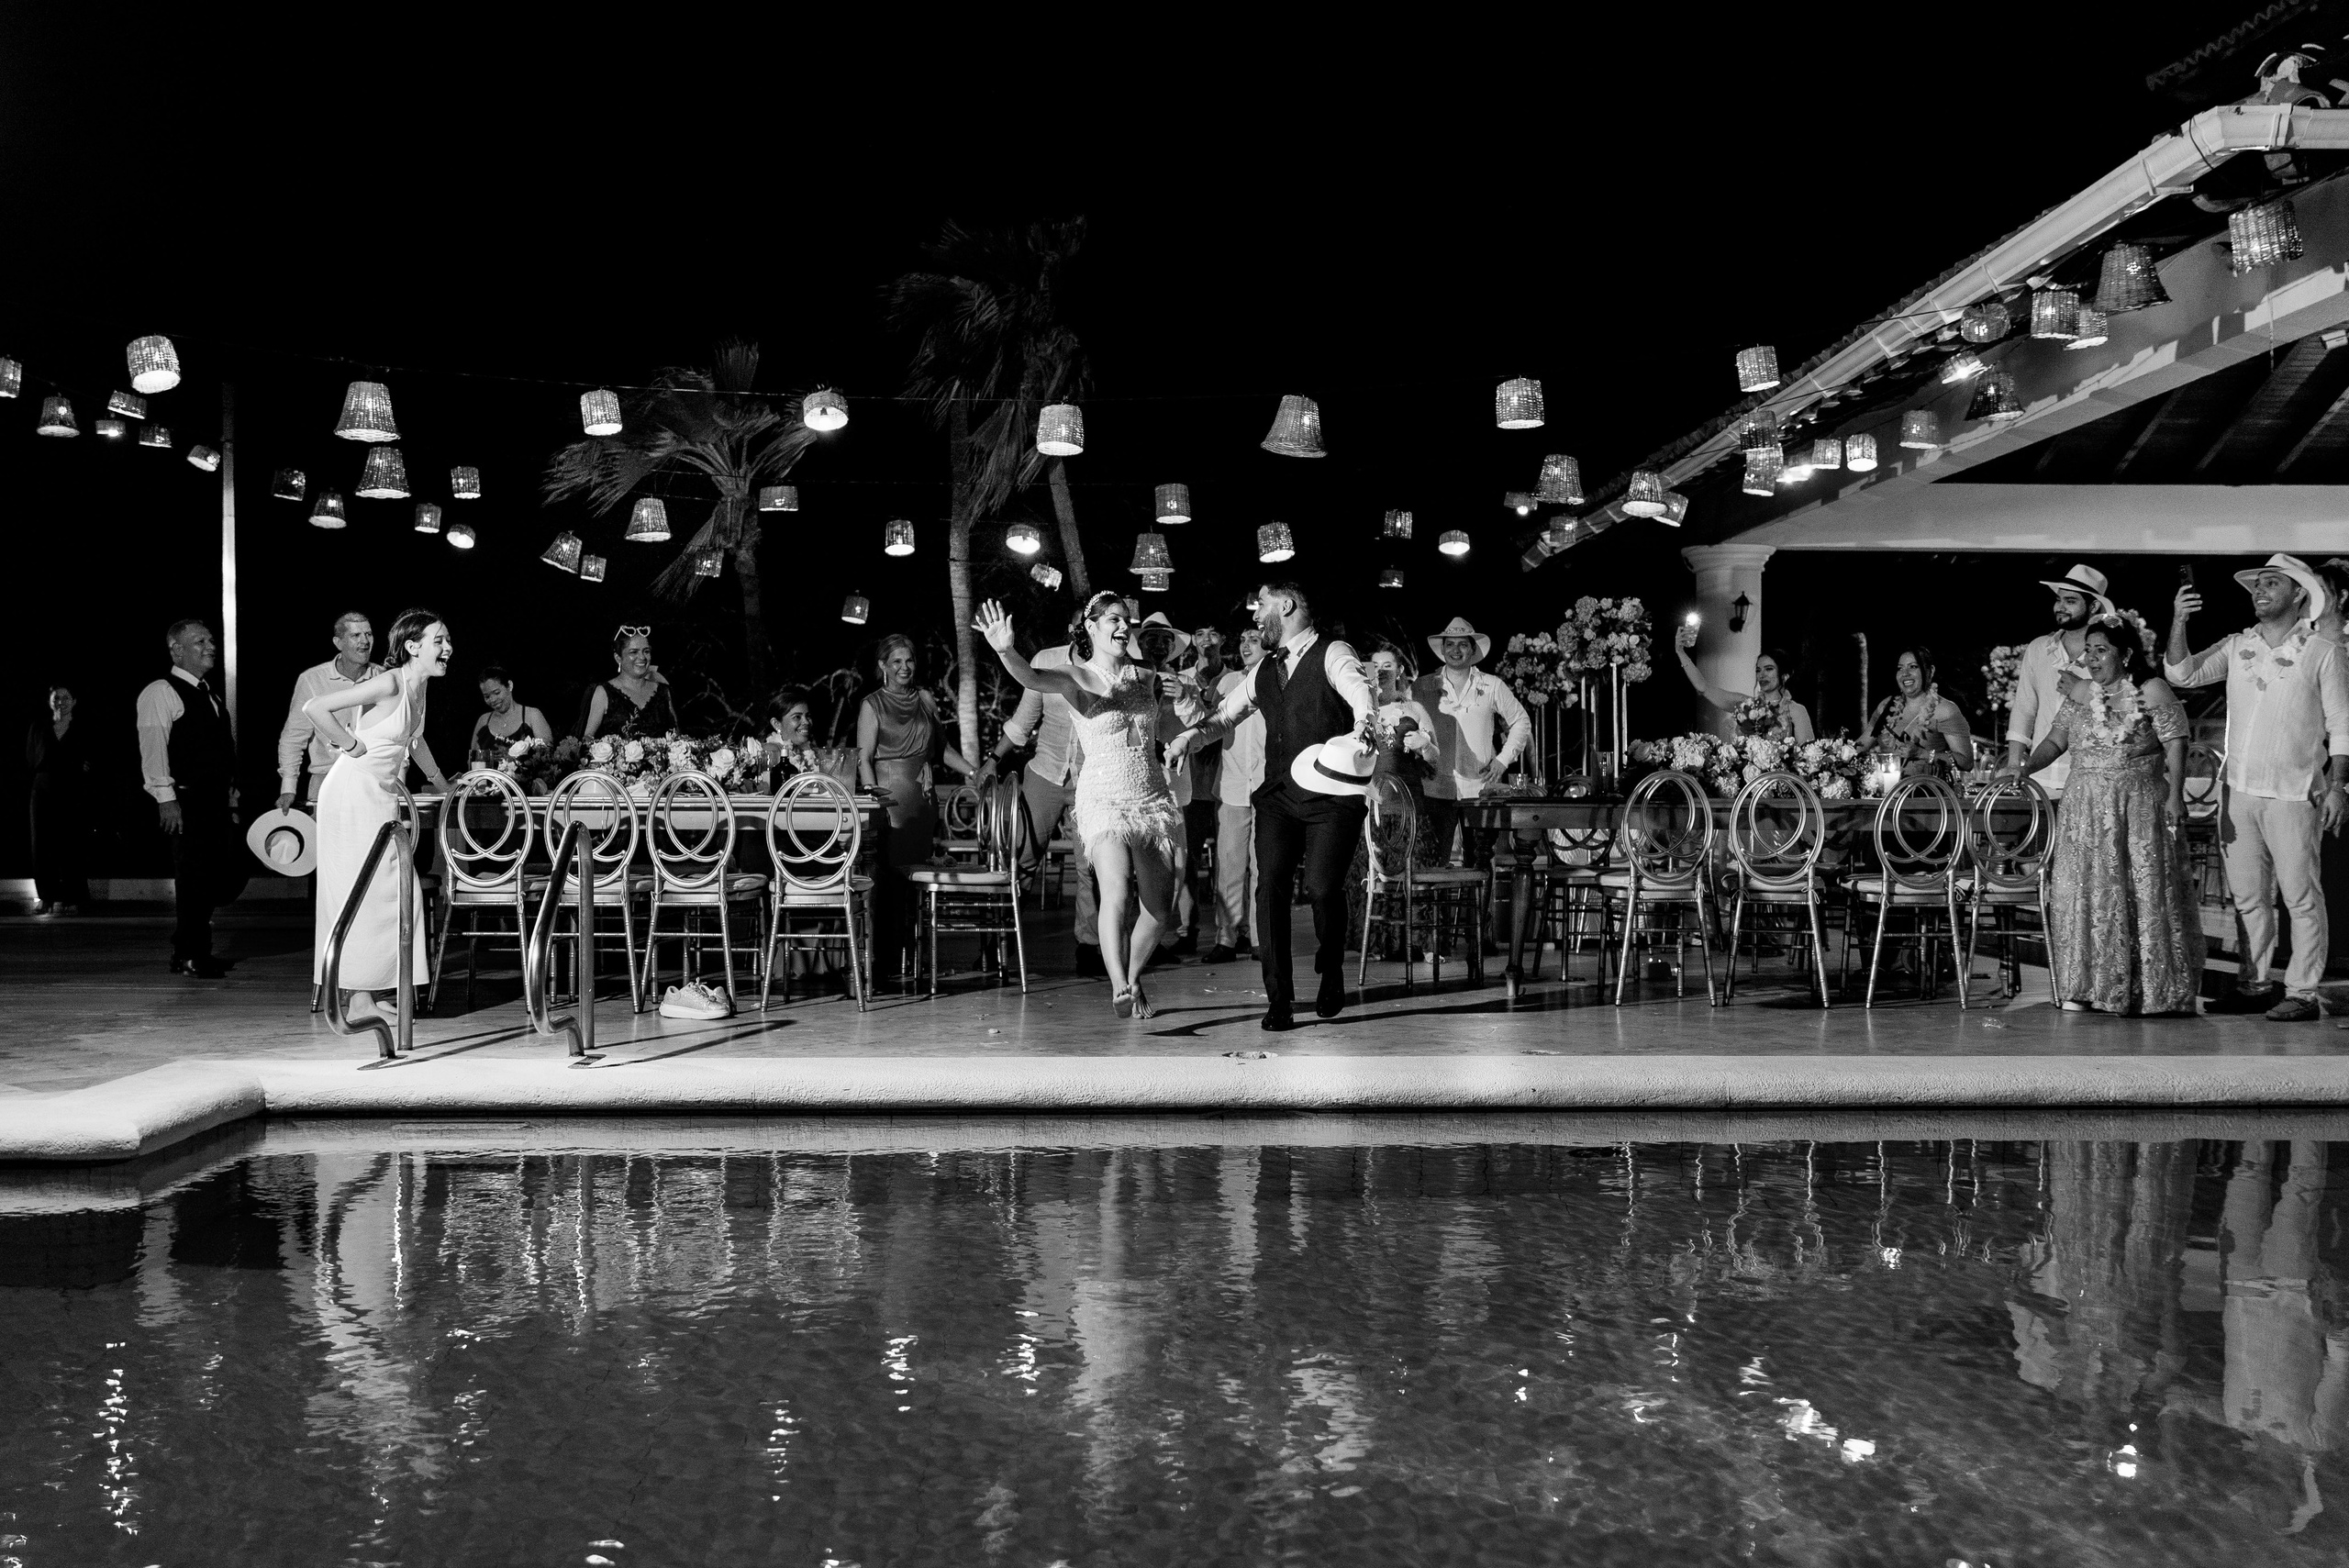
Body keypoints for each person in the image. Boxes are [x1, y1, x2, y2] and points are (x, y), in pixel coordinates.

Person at [1172, 581, 1377, 1030]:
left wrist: (1364, 723)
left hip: (1332, 795)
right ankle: (1279, 999)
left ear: (1285, 606)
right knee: (1270, 890)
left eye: (1260, 605)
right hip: (1278, 796)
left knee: (1323, 889)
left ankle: (1331, 966)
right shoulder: (1264, 667)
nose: (1253, 615)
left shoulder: (1332, 651)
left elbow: (1358, 689)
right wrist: (1189, 737)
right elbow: (1226, 714)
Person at [977, 593, 1191, 1018]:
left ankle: (1132, 976)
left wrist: (1181, 707)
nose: (1123, 627)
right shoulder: (1074, 676)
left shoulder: (1149, 675)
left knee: (1158, 908)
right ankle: (1119, 986)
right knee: (1114, 886)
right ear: (1090, 627)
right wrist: (1005, 649)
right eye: (1113, 619)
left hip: (1149, 794)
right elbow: (1031, 677)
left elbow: (1171, 728)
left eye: (1126, 620)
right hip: (1102, 795)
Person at [2166, 553, 2349, 1021]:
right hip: (2239, 790)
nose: (2260, 591)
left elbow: (2343, 726)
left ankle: (2303, 993)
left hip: (2294, 791)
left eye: (2271, 583)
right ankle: (2255, 984)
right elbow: (2181, 674)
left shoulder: (2324, 652)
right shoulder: (2235, 646)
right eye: (2257, 584)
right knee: (2248, 896)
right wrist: (2179, 621)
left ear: (2299, 594)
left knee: (2300, 896)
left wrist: (2338, 788)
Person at [2005, 612, 2201, 1014]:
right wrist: (2023, 767)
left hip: (2137, 804)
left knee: (2138, 892)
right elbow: (2056, 740)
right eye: (2088, 650)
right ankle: (2087, 986)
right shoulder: (2080, 696)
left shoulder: (2152, 689)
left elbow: (2176, 742)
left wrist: (2176, 794)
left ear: (2125, 654)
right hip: (2084, 807)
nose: (2091, 659)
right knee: (2085, 892)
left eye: (2101, 650)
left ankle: (2148, 989)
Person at [304, 608, 452, 1008]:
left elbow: (415, 742)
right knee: (366, 891)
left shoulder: (418, 687)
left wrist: (445, 785)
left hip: (380, 795)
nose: (447, 648)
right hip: (353, 793)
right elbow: (316, 708)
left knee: (393, 891)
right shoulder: (388, 682)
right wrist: (350, 746)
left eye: (446, 640)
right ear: (412, 647)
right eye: (439, 641)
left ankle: (374, 988)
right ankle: (357, 997)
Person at [977, 642, 1103, 975]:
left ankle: (1091, 947)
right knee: (1020, 856)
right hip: (1045, 772)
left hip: (1092, 781)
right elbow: (1023, 721)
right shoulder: (1046, 661)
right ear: (1078, 629)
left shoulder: (1111, 667)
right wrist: (993, 759)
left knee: (1091, 867)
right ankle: (997, 942)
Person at [859, 633, 973, 984]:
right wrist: (871, 794)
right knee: (888, 881)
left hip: (923, 803)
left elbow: (941, 749)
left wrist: (973, 771)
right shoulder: (872, 704)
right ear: (882, 666)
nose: (904, 667)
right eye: (896, 662)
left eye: (909, 661)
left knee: (914, 883)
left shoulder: (925, 699)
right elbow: (864, 757)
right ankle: (881, 962)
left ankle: (912, 961)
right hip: (890, 801)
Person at [137, 619, 242, 977]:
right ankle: (190, 953)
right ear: (176, 650)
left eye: (210, 640)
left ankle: (191, 947)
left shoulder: (207, 693)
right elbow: (153, 749)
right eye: (199, 641)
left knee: (215, 876)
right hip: (185, 802)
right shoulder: (160, 692)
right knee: (193, 878)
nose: (210, 646)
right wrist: (166, 799)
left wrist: (229, 794)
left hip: (213, 801)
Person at [1414, 617, 1531, 868]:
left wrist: (1502, 760)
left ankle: (1481, 909)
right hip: (1435, 787)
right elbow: (1405, 724)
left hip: (1479, 790)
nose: (1456, 650)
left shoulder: (1491, 685)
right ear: (1442, 649)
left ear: (1472, 649)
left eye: (1462, 644)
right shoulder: (1423, 686)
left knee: (1480, 861)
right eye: (1450, 644)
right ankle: (1439, 909)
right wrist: (1416, 759)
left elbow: (1521, 721)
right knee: (1433, 861)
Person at [2007, 564, 2114, 795]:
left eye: (2070, 601)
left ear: (2093, 606)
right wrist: (2015, 764)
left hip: (2091, 777)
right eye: (2058, 600)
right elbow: (2024, 708)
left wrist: (2082, 689)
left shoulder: (2107, 654)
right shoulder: (2038, 649)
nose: (2060, 607)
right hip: (2038, 776)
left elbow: (2121, 710)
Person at [1132, 612, 1197, 958]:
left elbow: (1204, 726)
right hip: (1134, 784)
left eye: (1164, 640)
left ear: (1172, 647)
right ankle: (1135, 939)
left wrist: (1185, 698)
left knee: (1175, 864)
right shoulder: (1128, 677)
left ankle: (1155, 938)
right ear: (1139, 643)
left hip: (1171, 787)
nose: (1158, 645)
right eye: (1151, 638)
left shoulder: (1185, 682)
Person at [1202, 627, 1265, 965]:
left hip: (1268, 787)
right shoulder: (1226, 684)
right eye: (1242, 639)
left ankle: (1259, 938)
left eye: (1254, 639)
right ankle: (1226, 939)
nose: (1245, 645)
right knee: (1229, 867)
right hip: (1232, 785)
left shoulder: (1279, 680)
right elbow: (1210, 723)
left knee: (1262, 868)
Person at [276, 611, 381, 811]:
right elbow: (293, 737)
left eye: (368, 634)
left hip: (373, 780)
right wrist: (288, 788)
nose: (364, 641)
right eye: (355, 636)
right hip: (327, 780)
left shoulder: (383, 677)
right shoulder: (313, 679)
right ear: (338, 642)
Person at [1177, 625, 1230, 955]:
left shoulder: (1237, 679)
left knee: (1229, 860)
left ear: (1223, 640)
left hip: (1228, 779)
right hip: (1193, 781)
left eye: (1214, 633)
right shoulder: (1180, 680)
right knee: (1188, 859)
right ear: (1193, 641)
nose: (1207, 639)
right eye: (1200, 634)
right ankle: (1187, 930)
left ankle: (1231, 932)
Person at [1671, 624, 1813, 742]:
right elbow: (1703, 688)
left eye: (1769, 669)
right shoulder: (1746, 706)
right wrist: (1681, 652)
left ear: (1785, 675)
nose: (1762, 675)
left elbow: (1805, 759)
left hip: (1780, 776)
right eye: (1758, 670)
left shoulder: (1796, 710)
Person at [26, 683, 91, 915]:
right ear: (50, 702)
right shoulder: (39, 727)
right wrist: (70, 764)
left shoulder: (82, 728)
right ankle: (46, 897)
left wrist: (76, 767)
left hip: (72, 791)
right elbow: (32, 759)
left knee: (72, 843)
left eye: (65, 698)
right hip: (42, 790)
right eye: (56, 698)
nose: (60, 702)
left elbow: (91, 759)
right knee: (40, 845)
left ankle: (75, 897)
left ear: (74, 701)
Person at [1861, 647, 1973, 773]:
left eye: (1913, 667)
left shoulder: (1946, 710)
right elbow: (1862, 745)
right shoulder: (1886, 706)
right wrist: (1838, 755)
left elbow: (1966, 762)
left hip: (1928, 790)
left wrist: (1921, 753)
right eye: (1900, 668)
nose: (1905, 673)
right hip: (1887, 791)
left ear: (1930, 671)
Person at [581, 625, 678, 740]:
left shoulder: (663, 691)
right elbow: (587, 737)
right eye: (634, 652)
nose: (642, 657)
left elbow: (677, 736)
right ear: (618, 658)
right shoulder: (604, 692)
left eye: (646, 651)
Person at [468, 665, 553, 763]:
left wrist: (513, 757)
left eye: (497, 693)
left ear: (510, 686)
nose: (493, 700)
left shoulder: (532, 715)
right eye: (487, 696)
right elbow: (473, 761)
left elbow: (547, 755)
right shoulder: (483, 721)